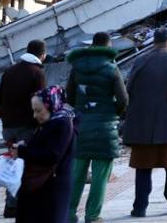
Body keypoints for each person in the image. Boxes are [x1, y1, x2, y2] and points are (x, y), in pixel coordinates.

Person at [66, 31, 128, 223]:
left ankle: (68, 214)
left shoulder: (77, 67)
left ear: (92, 45)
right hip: (104, 127)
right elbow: (123, 99)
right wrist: (113, 112)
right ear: (108, 46)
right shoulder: (111, 68)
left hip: (81, 127)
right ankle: (92, 216)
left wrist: (80, 109)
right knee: (100, 175)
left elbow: (69, 95)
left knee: (76, 173)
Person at [124, 28, 167, 218]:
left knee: (143, 168)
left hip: (143, 126)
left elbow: (128, 91)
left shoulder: (140, 61)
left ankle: (139, 207)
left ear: (154, 41)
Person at [0, 39, 47, 217]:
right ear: (42, 54)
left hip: (8, 126)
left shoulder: (10, 70)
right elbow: (41, 102)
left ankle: (11, 206)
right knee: (28, 165)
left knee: (13, 163)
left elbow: (0, 97)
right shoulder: (37, 73)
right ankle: (26, 205)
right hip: (27, 126)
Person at [14, 86, 76, 223]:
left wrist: (22, 151)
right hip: (43, 187)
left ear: (51, 106)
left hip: (52, 188)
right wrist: (25, 146)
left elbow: (53, 155)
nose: (35, 115)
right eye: (34, 110)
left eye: (38, 110)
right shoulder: (51, 123)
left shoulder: (61, 124)